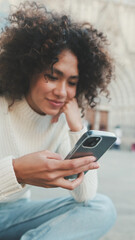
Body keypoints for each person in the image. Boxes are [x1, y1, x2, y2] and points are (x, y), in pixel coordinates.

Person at [0, 2, 116, 240]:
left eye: (72, 82)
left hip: (15, 214)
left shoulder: (62, 122)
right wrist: (17, 171)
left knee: (102, 209)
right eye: (52, 77)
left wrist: (77, 128)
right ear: (27, 69)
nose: (62, 92)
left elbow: (84, 196)